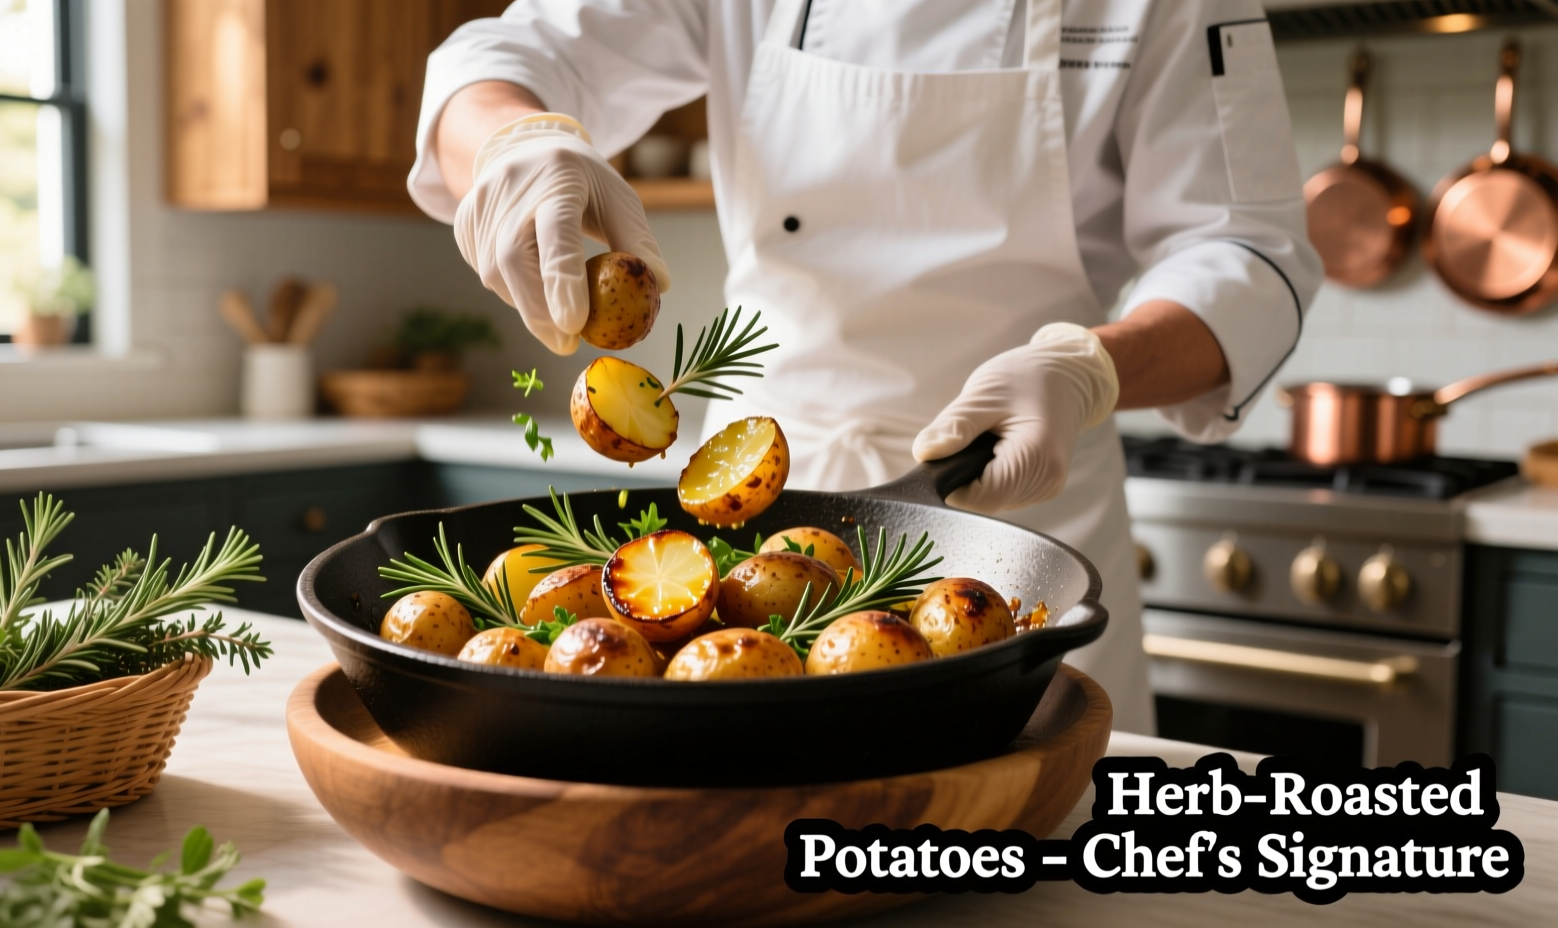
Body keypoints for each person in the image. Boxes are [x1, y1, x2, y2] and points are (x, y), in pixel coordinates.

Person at [407, 0, 1322, 734]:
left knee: (1027, 834)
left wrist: (1088, 368)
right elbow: (496, 60)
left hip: (1019, 523)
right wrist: (514, 141)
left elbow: (1250, 256)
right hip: (759, 504)